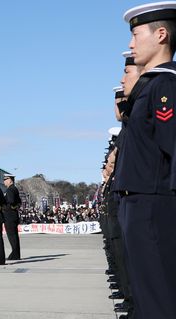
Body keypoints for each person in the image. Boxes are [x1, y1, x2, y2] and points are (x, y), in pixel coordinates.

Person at [113, 3, 176, 318]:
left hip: (154, 205)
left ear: (161, 34)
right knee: (146, 296)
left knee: (159, 301)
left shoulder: (164, 86)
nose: (131, 43)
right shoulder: (151, 88)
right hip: (140, 203)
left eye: (136, 35)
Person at [2, 173, 21, 261]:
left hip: (9, 215)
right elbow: (19, 202)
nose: (4, 181)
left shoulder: (10, 189)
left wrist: (4, 207)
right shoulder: (14, 189)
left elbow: (11, 201)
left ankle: (14, 254)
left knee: (12, 236)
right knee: (14, 236)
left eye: (5, 179)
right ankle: (16, 254)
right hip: (13, 215)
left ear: (10, 180)